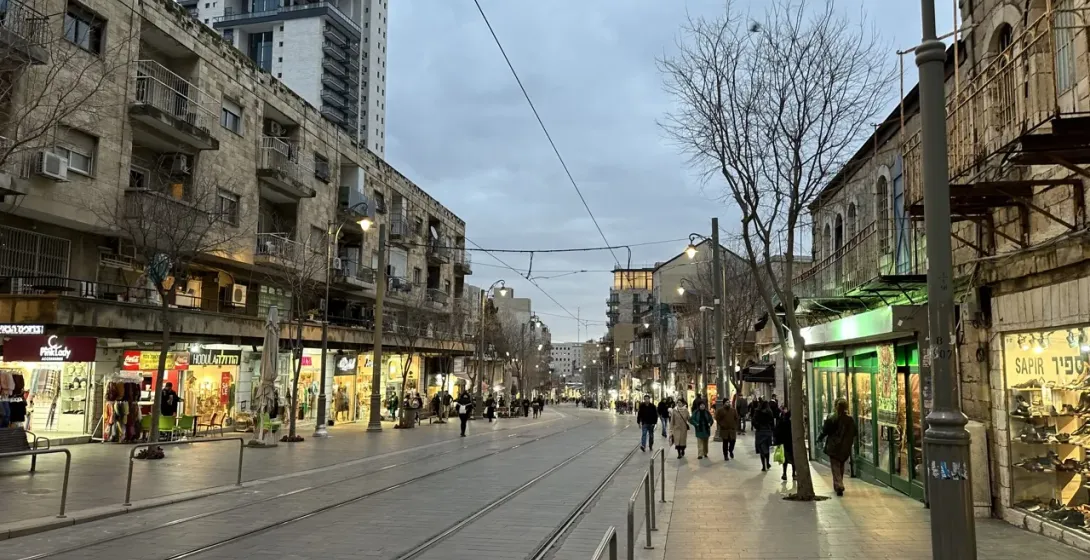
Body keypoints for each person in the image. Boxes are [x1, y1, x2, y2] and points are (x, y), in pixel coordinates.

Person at [819, 398, 858, 496]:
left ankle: (839, 484)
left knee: (835, 466)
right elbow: (854, 432)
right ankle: (837, 485)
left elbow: (825, 430)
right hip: (845, 447)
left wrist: (819, 438)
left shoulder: (831, 418)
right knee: (841, 464)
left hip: (833, 445)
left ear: (835, 406)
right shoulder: (850, 419)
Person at [752, 398, 776, 471]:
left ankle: (763, 465)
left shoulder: (757, 411)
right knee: (766, 448)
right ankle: (768, 463)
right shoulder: (769, 412)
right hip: (767, 431)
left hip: (760, 431)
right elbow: (772, 421)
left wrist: (757, 426)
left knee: (761, 448)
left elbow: (754, 421)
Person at [774, 405, 795, 481]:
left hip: (783, 443)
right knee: (793, 459)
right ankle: (793, 474)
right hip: (791, 443)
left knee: (785, 460)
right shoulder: (792, 424)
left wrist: (777, 442)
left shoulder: (781, 422)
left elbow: (777, 433)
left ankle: (784, 473)